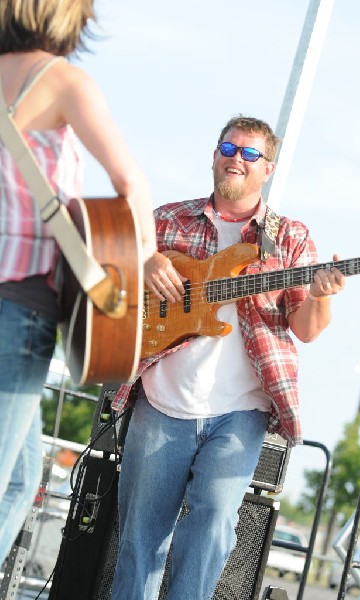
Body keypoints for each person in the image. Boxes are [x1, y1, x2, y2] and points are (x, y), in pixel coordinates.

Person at [111, 115, 345, 600]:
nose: (236, 158)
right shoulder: (167, 219)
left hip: (241, 410)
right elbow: (110, 267)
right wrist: (147, 260)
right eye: (229, 148)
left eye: (250, 153)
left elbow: (306, 328)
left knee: (214, 526)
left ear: (268, 168)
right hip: (162, 400)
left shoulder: (289, 237)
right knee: (140, 539)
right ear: (215, 155)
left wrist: (322, 294)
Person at [0, 0, 157, 569]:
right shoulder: (63, 81)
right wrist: (143, 260)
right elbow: (127, 180)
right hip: (19, 303)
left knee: (21, 482)